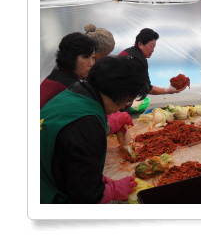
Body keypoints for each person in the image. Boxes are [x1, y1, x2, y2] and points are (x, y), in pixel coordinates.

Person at [40, 56, 150, 204]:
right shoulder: (87, 123)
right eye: (129, 101)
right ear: (118, 93)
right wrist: (115, 190)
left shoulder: (74, 92)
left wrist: (92, 174)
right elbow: (87, 196)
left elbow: (68, 156)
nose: (125, 106)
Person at [119, 28, 186, 95]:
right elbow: (147, 88)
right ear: (140, 44)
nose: (153, 50)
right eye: (151, 46)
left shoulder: (126, 51)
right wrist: (168, 90)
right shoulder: (138, 60)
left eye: (154, 47)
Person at [40, 32, 97, 109]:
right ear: (71, 58)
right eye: (85, 57)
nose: (91, 63)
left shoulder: (53, 77)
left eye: (93, 57)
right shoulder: (69, 88)